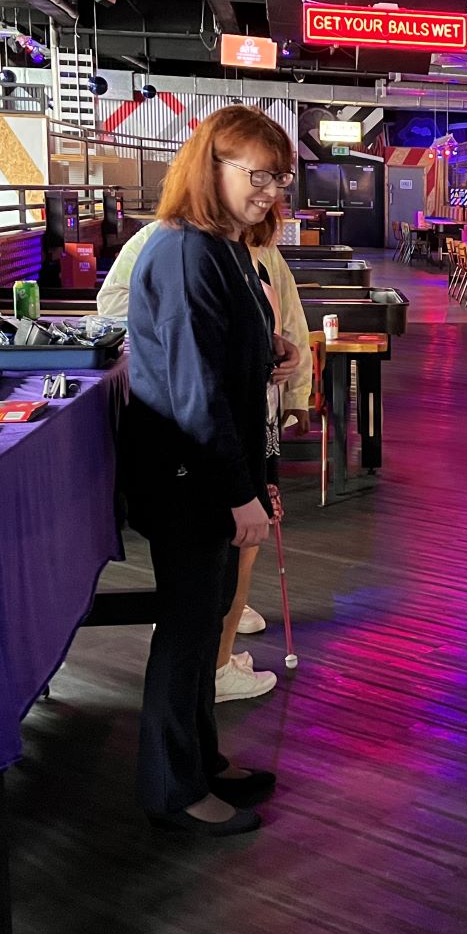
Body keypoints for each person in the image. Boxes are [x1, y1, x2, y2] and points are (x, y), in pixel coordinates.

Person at [122, 106, 303, 836]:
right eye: (258, 175)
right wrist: (240, 495)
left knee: (208, 622)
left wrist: (275, 349)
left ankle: (200, 759)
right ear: (213, 167)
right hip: (189, 477)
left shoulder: (222, 245)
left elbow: (226, 350)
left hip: (207, 469)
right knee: (189, 628)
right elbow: (194, 389)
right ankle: (173, 789)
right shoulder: (188, 250)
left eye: (277, 177)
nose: (270, 191)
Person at [101, 216, 313, 702]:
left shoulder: (249, 245)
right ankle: (215, 660)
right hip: (202, 434)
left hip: (251, 412)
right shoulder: (172, 244)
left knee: (241, 545)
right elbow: (118, 309)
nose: (267, 197)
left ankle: (225, 630)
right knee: (218, 552)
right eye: (258, 177)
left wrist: (286, 367)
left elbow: (289, 321)